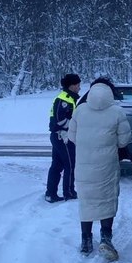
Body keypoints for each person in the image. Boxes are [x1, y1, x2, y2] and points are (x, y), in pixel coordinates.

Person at [68, 82, 131, 259]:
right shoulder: (117, 112)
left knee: (87, 202)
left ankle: (86, 240)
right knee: (107, 200)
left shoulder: (80, 110)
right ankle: (106, 237)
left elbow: (72, 136)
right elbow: (123, 141)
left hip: (84, 165)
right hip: (107, 165)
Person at [46, 73, 81, 203]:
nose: (79, 87)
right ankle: (69, 192)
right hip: (63, 136)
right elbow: (61, 120)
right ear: (71, 86)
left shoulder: (67, 98)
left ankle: (51, 193)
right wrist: (72, 128)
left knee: (57, 165)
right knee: (70, 164)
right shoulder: (64, 99)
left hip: (57, 136)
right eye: (77, 85)